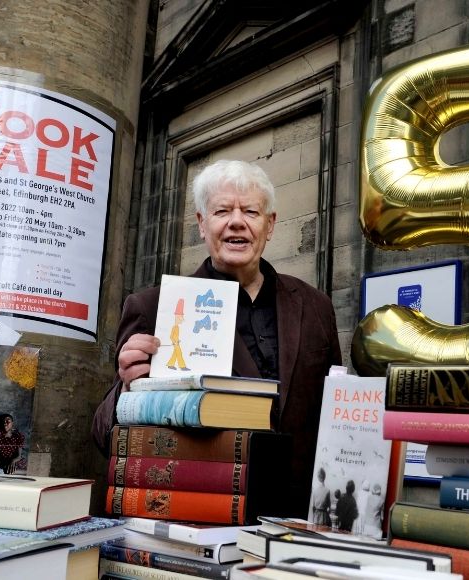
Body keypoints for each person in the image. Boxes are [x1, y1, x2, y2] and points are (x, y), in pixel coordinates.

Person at [92, 159, 342, 517]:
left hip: (297, 521)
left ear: (269, 225)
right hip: (201, 517)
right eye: (222, 210)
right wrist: (127, 388)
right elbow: (103, 436)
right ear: (201, 224)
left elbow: (334, 419)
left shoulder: (316, 306)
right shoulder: (154, 308)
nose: (237, 221)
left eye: (251, 211)